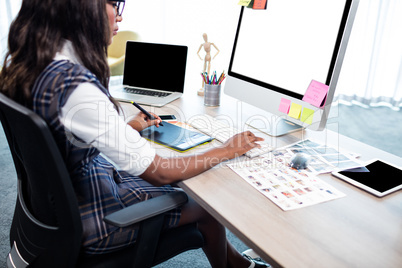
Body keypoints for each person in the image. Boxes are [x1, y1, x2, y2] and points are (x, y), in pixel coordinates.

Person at [0, 1, 269, 267]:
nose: (119, 15)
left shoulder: (31, 63)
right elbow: (159, 171)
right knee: (206, 207)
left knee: (181, 183)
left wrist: (126, 129)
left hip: (60, 206)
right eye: (113, 4)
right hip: (92, 215)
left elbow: (65, 140)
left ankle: (242, 266)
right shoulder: (75, 86)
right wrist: (226, 150)